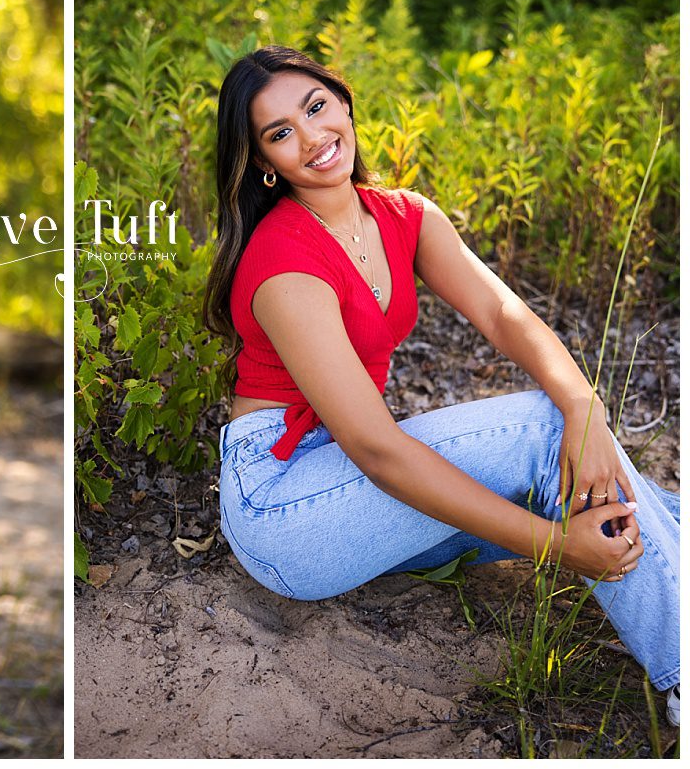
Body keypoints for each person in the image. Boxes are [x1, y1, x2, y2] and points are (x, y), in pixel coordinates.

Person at [199, 46, 679, 724]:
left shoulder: (402, 217)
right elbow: (377, 449)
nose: (310, 136)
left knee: (631, 494)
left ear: (344, 104)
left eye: (316, 107)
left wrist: (585, 404)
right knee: (544, 435)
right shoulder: (285, 263)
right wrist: (558, 546)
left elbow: (503, 314)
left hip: (351, 488)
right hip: (286, 509)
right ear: (264, 162)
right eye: (280, 132)